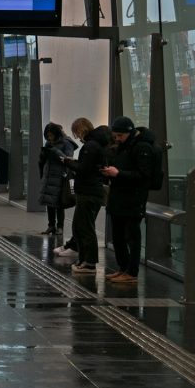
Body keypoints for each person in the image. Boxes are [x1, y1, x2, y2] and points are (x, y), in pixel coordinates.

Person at [100, 115, 155, 284]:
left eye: (120, 136)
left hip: (133, 199)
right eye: (115, 136)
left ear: (130, 133)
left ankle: (132, 272)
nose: (117, 139)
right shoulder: (123, 147)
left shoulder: (142, 147)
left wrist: (119, 173)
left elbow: (144, 175)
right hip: (119, 197)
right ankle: (123, 268)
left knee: (132, 236)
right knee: (118, 236)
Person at [60, 118, 111, 274]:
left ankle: (89, 263)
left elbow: (83, 169)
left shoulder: (91, 146)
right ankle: (84, 260)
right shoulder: (97, 145)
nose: (77, 137)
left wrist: (67, 162)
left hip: (88, 192)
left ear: (80, 130)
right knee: (80, 226)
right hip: (91, 191)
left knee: (84, 228)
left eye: (76, 133)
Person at [37, 122, 77, 235]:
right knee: (49, 201)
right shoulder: (49, 142)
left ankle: (60, 226)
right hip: (49, 174)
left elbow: (68, 159)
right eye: (48, 136)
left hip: (61, 176)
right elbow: (43, 159)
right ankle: (51, 225)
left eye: (51, 135)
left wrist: (55, 151)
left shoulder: (66, 143)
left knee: (60, 202)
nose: (50, 138)